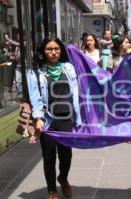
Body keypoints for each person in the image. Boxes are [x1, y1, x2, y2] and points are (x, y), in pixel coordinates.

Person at [27, 36, 82, 199]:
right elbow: (35, 97)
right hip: (48, 119)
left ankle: (63, 178)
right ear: (43, 52)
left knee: (66, 155)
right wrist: (38, 118)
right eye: (49, 49)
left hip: (66, 118)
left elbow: (88, 76)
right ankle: (52, 190)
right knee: (49, 156)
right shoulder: (35, 72)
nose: (53, 52)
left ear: (61, 50)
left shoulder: (69, 68)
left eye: (56, 49)